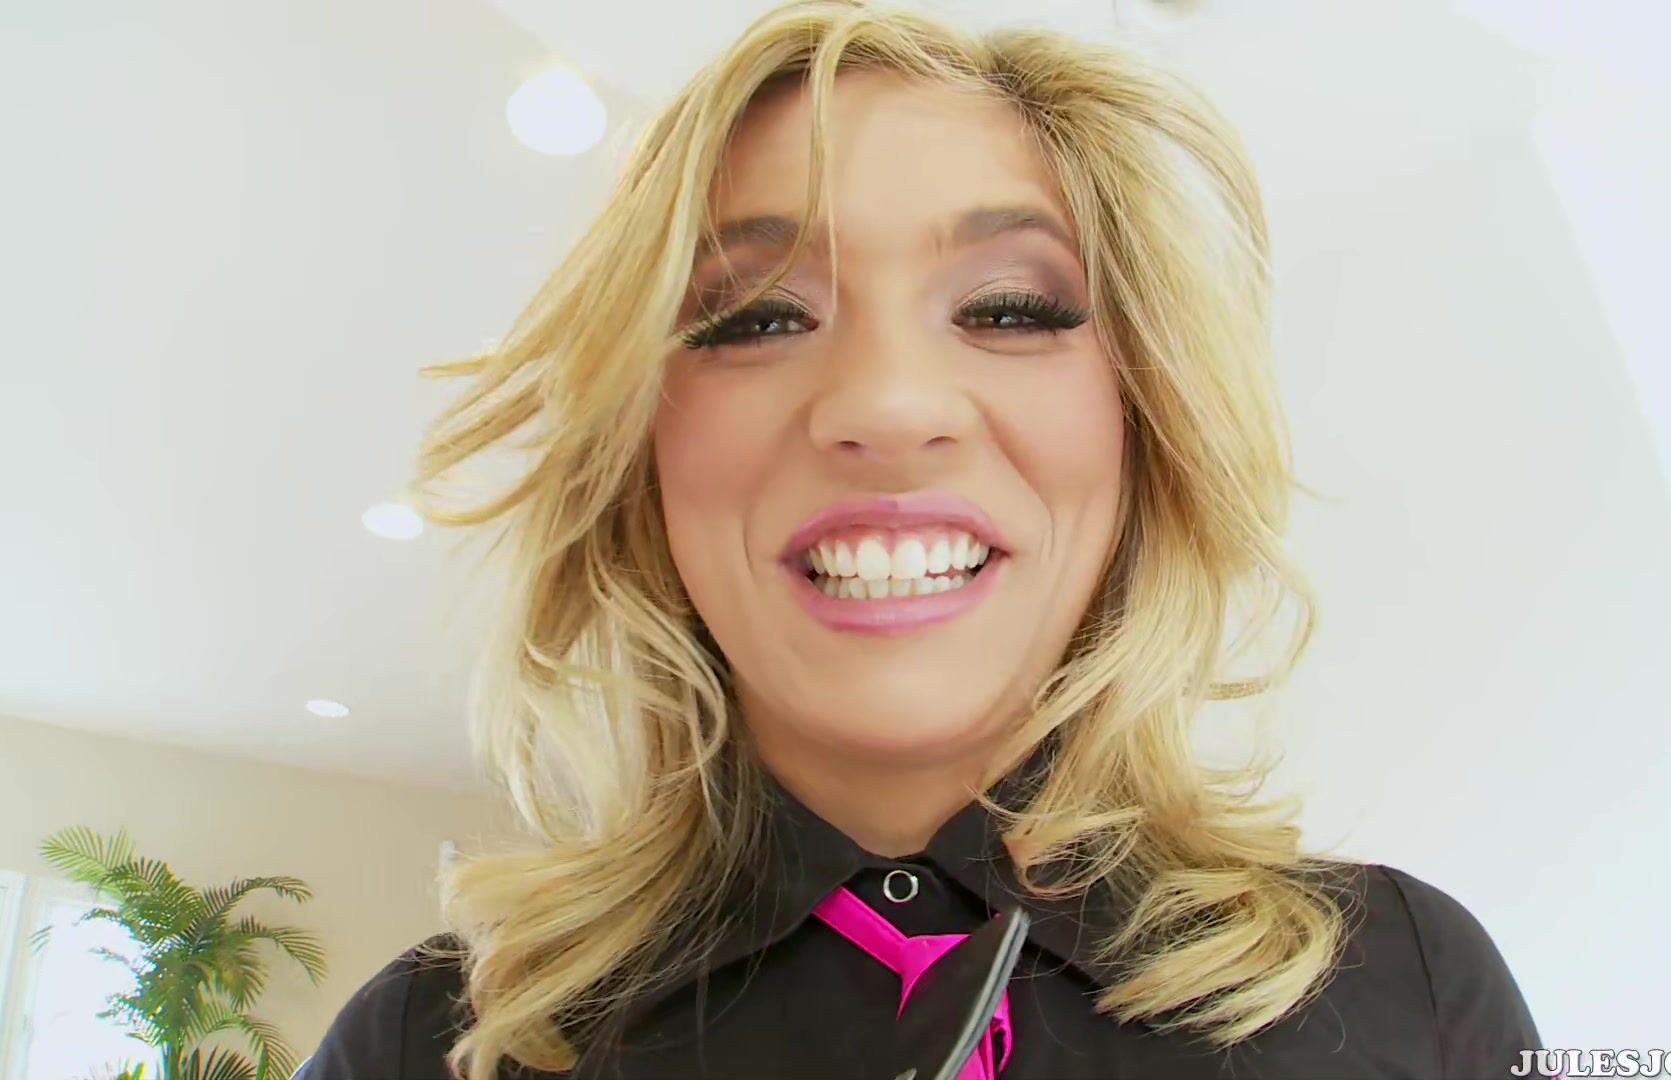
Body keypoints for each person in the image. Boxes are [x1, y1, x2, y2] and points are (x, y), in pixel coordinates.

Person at [302, 1, 1542, 1076]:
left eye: (1008, 307)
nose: (889, 407)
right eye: (756, 317)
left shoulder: (1412, 981)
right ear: (641, 454)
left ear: (1143, 423)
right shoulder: (431, 1043)